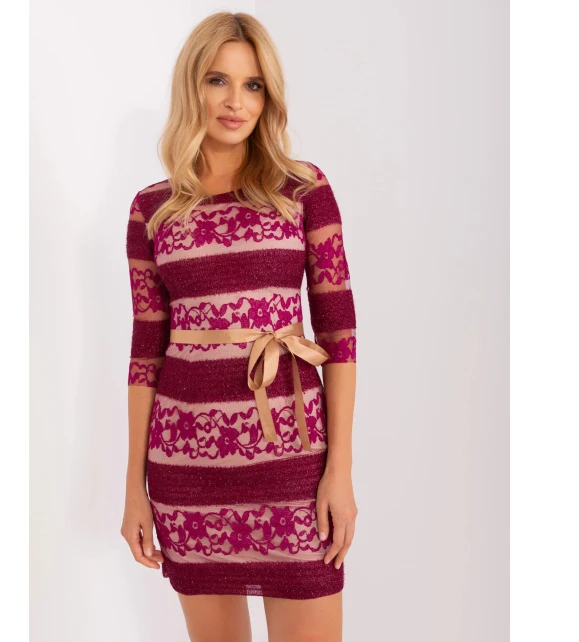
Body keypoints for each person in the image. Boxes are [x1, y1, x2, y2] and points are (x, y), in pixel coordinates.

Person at [121, 11, 358, 642]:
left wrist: (339, 471)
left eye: (253, 85)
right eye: (218, 81)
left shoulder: (303, 188)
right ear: (192, 86)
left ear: (269, 95)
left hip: (292, 457)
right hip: (185, 464)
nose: (236, 101)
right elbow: (146, 351)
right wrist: (134, 488)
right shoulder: (151, 209)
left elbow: (339, 335)